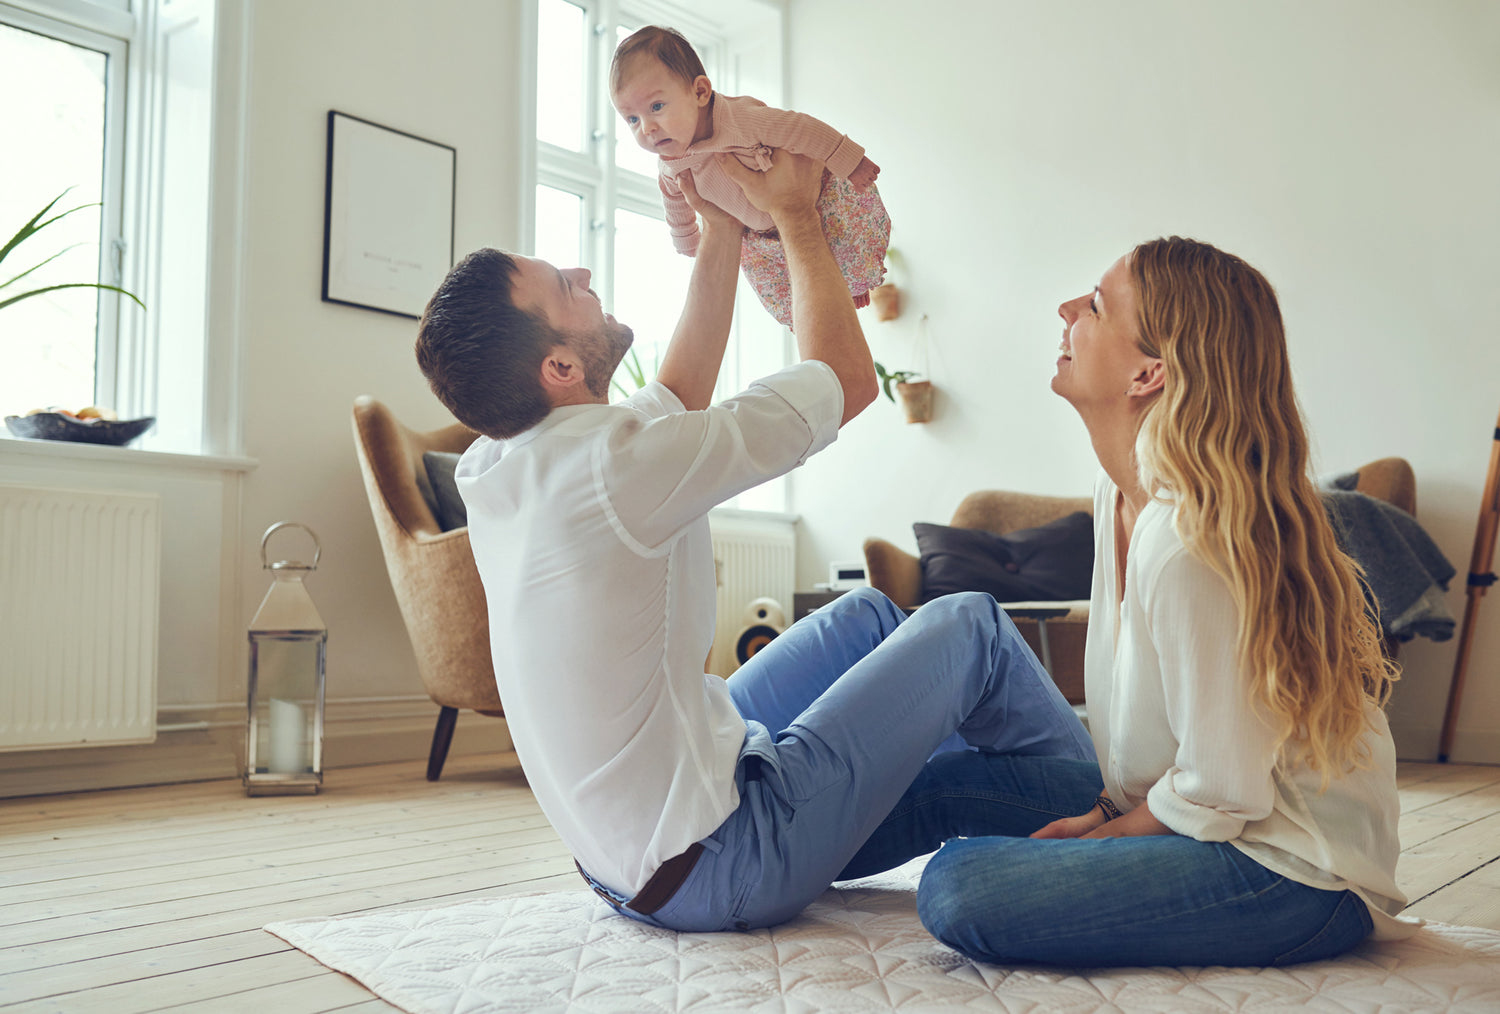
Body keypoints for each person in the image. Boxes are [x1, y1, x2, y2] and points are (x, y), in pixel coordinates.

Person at [413, 151, 1094, 934]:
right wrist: (797, 214)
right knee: (968, 623)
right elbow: (848, 377)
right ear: (560, 364)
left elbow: (675, 396)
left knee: (869, 617)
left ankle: (1000, 792)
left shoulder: (497, 462)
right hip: (720, 861)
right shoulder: (613, 466)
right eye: (564, 286)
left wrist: (724, 226)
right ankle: (1106, 813)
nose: (581, 269)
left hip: (633, 861)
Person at [838, 237, 1416, 968]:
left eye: (1095, 305)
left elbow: (1223, 794)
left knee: (960, 883)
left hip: (1293, 872)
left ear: (1150, 371)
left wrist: (1098, 841)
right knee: (950, 782)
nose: (1066, 310)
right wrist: (1107, 813)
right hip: (1201, 811)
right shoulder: (1120, 494)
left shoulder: (1187, 539)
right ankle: (751, 856)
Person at [609, 25, 889, 329]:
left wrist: (849, 159)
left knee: (841, 235)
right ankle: (814, 313)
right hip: (758, 236)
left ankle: (858, 282)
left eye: (657, 107)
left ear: (700, 92)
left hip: (811, 196)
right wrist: (686, 240)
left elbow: (800, 129)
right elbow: (675, 203)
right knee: (773, 285)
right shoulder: (670, 163)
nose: (647, 128)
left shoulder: (740, 119)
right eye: (632, 119)